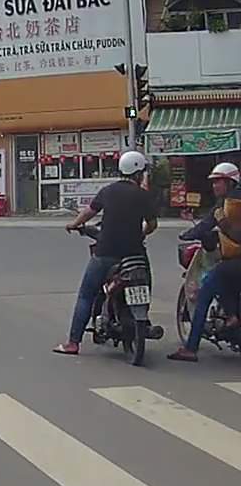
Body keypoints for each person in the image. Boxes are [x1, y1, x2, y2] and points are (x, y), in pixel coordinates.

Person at [53, 150, 158, 355]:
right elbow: (152, 224)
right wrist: (141, 235)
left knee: (86, 295)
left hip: (106, 253)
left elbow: (88, 212)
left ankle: (73, 343)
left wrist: (74, 224)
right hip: (134, 254)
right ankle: (143, 320)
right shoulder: (143, 195)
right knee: (144, 283)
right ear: (139, 173)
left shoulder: (108, 191)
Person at [168, 162, 241, 362]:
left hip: (235, 262)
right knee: (227, 284)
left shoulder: (227, 204)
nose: (215, 186)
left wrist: (187, 235)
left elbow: (205, 226)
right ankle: (232, 315)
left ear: (230, 182)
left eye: (219, 182)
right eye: (214, 182)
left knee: (205, 292)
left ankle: (190, 348)